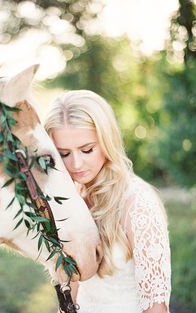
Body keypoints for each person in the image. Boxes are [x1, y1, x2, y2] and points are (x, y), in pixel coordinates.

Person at [43, 90, 171, 313]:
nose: (76, 164)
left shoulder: (137, 202)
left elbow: (156, 307)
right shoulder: (68, 200)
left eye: (87, 150)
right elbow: (68, 294)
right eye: (64, 153)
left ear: (106, 141)